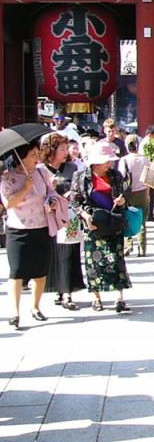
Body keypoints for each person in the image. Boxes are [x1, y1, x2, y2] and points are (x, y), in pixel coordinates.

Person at [1, 140, 58, 328]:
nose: (36, 158)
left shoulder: (42, 172)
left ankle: (35, 306)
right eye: (32, 155)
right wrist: (25, 187)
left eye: (37, 154)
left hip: (41, 226)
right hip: (18, 229)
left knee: (40, 270)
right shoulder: (7, 179)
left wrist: (52, 201)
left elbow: (51, 192)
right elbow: (9, 203)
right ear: (20, 158)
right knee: (16, 271)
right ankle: (15, 312)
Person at [71, 141, 132, 313]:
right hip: (93, 223)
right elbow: (76, 202)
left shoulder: (115, 175)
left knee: (116, 260)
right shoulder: (81, 176)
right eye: (106, 160)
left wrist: (121, 201)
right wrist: (85, 215)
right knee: (93, 262)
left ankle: (120, 297)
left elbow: (123, 195)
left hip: (112, 220)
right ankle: (96, 298)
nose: (109, 164)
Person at [39, 133, 85, 310]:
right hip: (49, 217)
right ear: (51, 150)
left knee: (68, 253)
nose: (66, 152)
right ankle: (58, 289)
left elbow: (78, 190)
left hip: (68, 217)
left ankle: (68, 292)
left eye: (67, 149)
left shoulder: (72, 168)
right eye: (62, 149)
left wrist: (69, 195)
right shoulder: (42, 170)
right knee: (53, 253)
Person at [119, 134, 151, 257]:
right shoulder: (145, 159)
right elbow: (148, 178)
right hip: (143, 191)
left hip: (129, 193)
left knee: (128, 217)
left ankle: (128, 245)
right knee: (142, 220)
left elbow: (122, 176)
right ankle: (142, 248)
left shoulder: (124, 160)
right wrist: (148, 193)